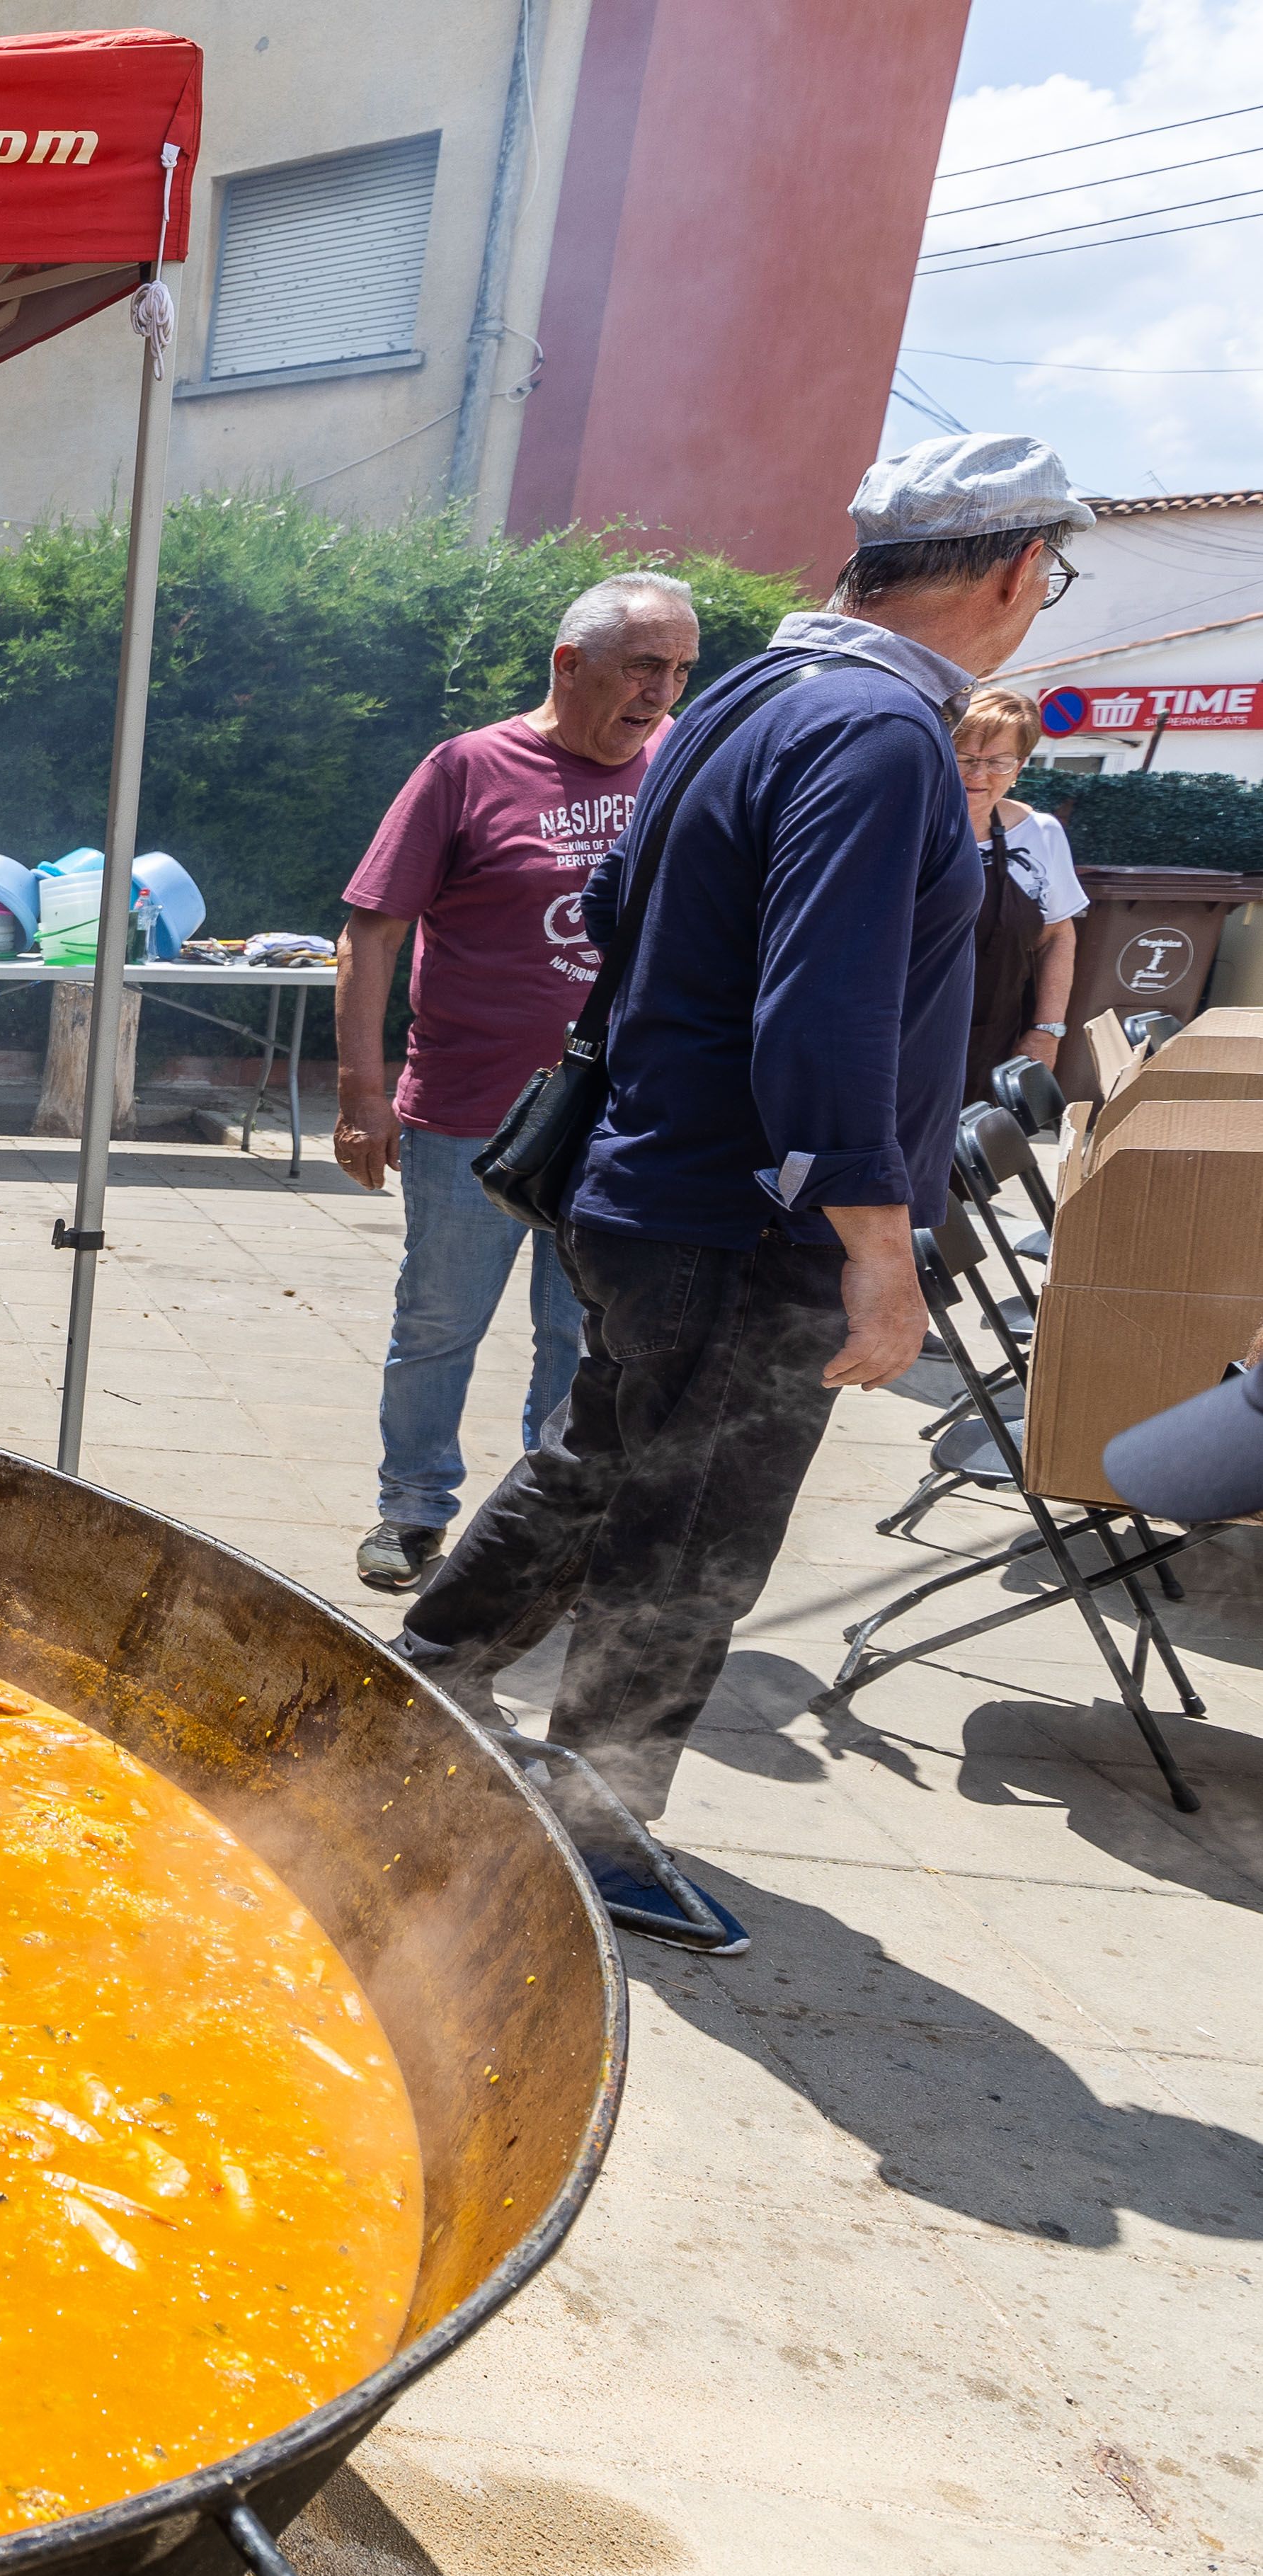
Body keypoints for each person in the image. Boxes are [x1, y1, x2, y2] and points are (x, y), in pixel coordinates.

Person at [394, 433, 1085, 1930]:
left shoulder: (756, 695)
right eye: (1056, 574)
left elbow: (635, 918)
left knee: (594, 1468)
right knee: (692, 1532)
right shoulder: (883, 730)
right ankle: (593, 1828)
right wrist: (879, 1248)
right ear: (1019, 566)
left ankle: (414, 1700)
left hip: (651, 1185)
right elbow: (822, 1007)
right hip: (736, 1216)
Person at [332, 573, 701, 1593]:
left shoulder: (678, 765)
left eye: (679, 671)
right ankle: (411, 1513)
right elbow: (371, 929)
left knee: (583, 1335)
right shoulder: (467, 768)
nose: (661, 693)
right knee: (440, 1323)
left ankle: (545, 1525)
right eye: (641, 667)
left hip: (621, 1119)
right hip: (472, 1113)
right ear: (569, 664)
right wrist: (365, 1093)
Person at [949, 686, 1087, 1106]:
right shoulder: (905, 826)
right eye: (965, 759)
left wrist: (1046, 1033)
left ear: (1019, 767)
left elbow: (1057, 938)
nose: (978, 775)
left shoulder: (1039, 834)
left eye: (997, 762)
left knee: (964, 1166)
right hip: (897, 1040)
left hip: (992, 1044)